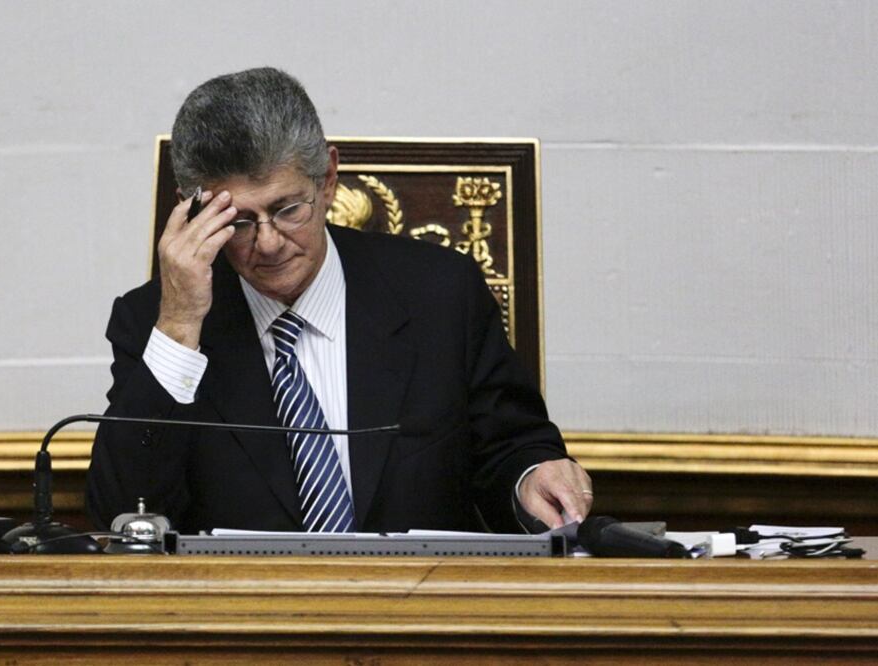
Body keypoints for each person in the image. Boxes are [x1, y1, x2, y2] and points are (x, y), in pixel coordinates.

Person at [85, 67, 592, 534]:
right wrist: (179, 325)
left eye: (287, 209)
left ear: (327, 180)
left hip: (421, 609)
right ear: (192, 211)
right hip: (240, 618)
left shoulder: (441, 293)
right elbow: (126, 508)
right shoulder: (153, 321)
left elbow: (511, 448)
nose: (268, 243)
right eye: (237, 221)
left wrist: (531, 477)